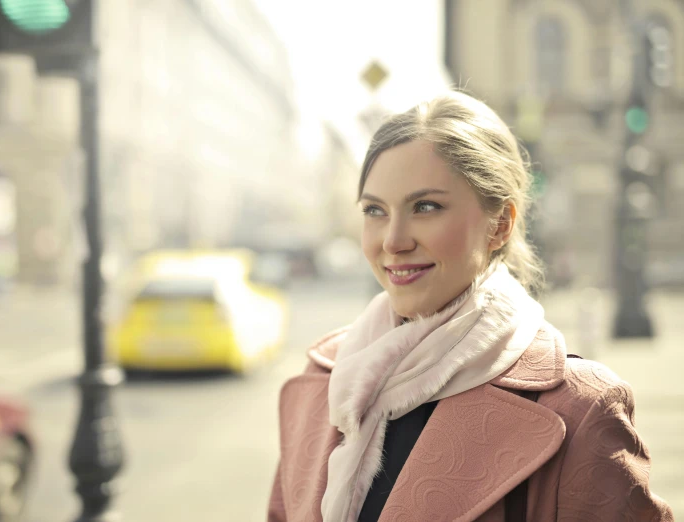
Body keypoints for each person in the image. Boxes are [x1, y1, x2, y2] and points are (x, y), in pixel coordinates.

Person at [267, 91, 673, 522]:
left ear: (499, 225)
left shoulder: (579, 408)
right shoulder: (324, 379)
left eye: (426, 207)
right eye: (375, 210)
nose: (392, 241)